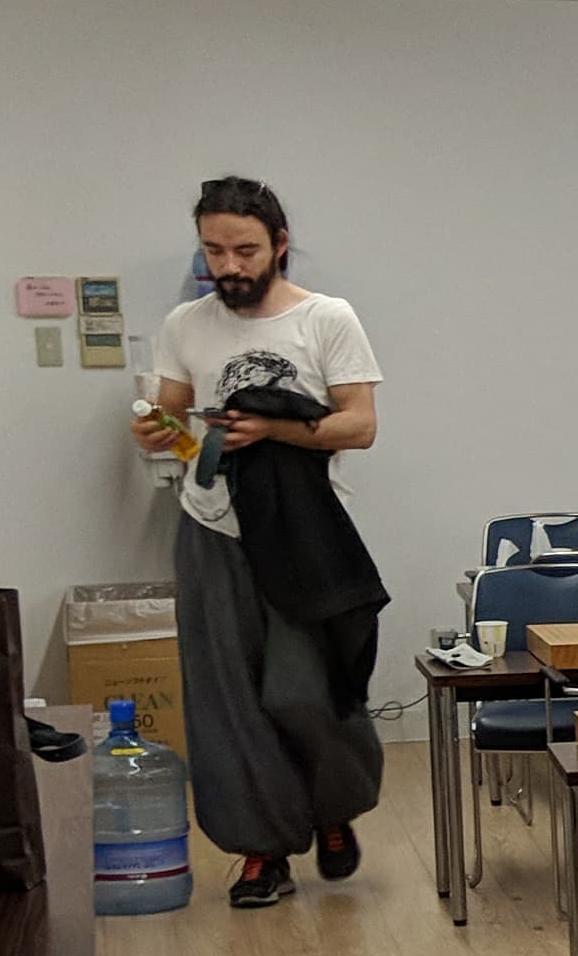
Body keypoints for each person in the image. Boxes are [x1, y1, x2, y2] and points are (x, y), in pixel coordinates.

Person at [129, 176, 388, 908]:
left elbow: (360, 425)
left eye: (244, 250)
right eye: (214, 251)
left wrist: (273, 428)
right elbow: (170, 416)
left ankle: (332, 808)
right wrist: (154, 429)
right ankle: (262, 852)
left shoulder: (326, 318)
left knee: (304, 690)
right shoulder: (186, 324)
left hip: (303, 530)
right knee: (226, 700)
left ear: (279, 244)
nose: (230, 266)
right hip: (211, 527)